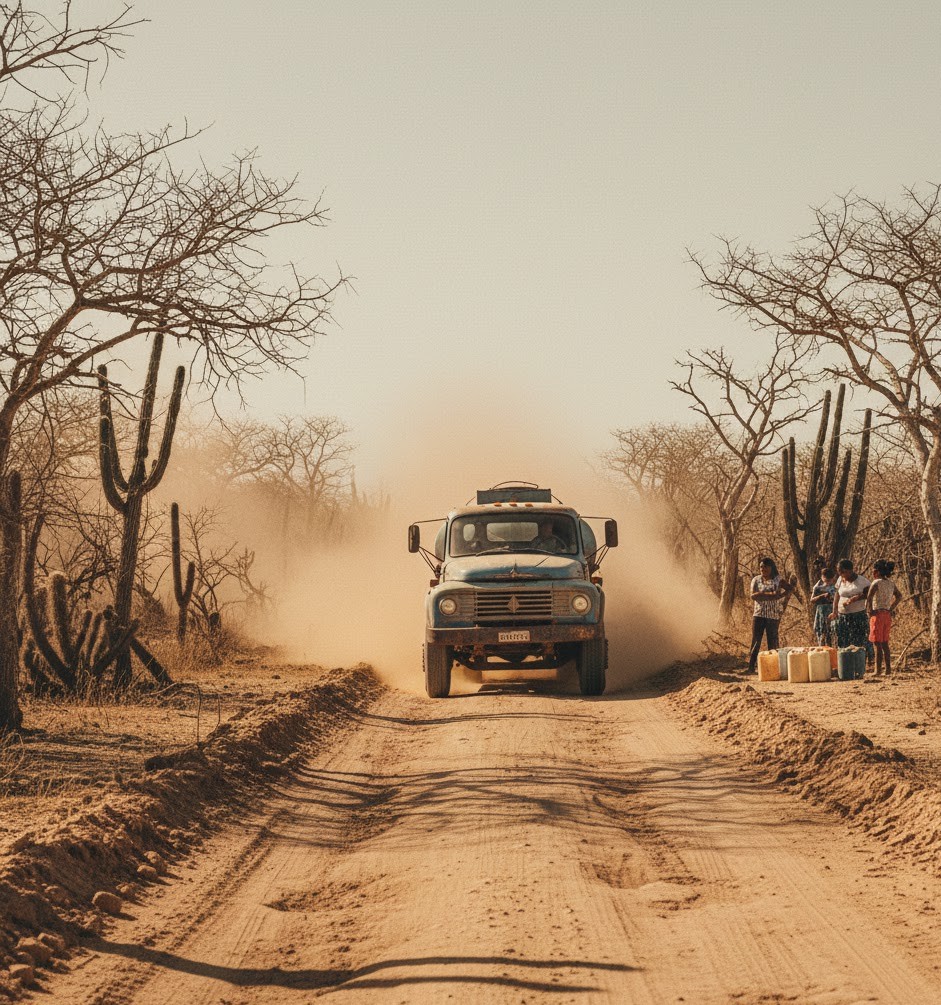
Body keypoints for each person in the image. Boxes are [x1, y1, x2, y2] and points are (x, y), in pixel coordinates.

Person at [746, 557, 794, 675]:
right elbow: (753, 596)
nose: (763, 569)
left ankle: (773, 669)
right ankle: (751, 667)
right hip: (758, 614)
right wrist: (772, 594)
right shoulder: (756, 580)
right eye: (761, 567)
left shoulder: (778, 579)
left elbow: (790, 588)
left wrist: (780, 595)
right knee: (756, 640)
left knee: (772, 641)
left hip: (773, 615)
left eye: (766, 567)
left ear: (771, 568)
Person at [829, 559, 873, 665]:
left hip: (858, 614)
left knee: (859, 639)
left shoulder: (862, 581)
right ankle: (846, 663)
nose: (841, 574)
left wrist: (856, 598)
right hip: (842, 615)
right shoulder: (840, 579)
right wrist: (834, 611)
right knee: (843, 639)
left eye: (842, 571)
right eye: (839, 571)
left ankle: (862, 662)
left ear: (850, 570)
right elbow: (837, 594)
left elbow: (869, 594)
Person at [866, 560, 902, 675]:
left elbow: (869, 598)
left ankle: (877, 670)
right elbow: (899, 596)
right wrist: (891, 608)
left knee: (876, 643)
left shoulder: (876, 583)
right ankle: (888, 669)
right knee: (885, 643)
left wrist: (869, 611)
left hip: (877, 615)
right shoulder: (891, 584)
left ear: (876, 572)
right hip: (887, 614)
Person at [811, 566, 837, 646]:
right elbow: (812, 600)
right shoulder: (817, 588)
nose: (828, 580)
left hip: (831, 610)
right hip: (821, 611)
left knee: (831, 632)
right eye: (826, 578)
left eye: (830, 579)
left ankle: (831, 651)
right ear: (822, 577)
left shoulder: (835, 588)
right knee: (821, 632)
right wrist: (822, 596)